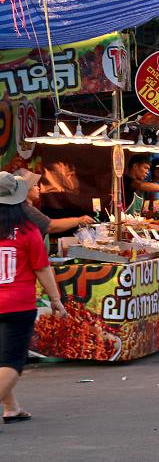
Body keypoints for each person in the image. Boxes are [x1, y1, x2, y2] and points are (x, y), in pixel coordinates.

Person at [0, 171, 67, 425]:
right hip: (17, 303)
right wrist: (56, 300)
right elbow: (42, 268)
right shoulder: (27, 231)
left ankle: (12, 408)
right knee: (12, 363)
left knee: (1, 358)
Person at [16, 169, 94, 235]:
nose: (38, 188)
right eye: (35, 185)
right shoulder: (26, 209)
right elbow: (50, 226)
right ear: (26, 189)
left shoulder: (20, 206)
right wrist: (79, 220)